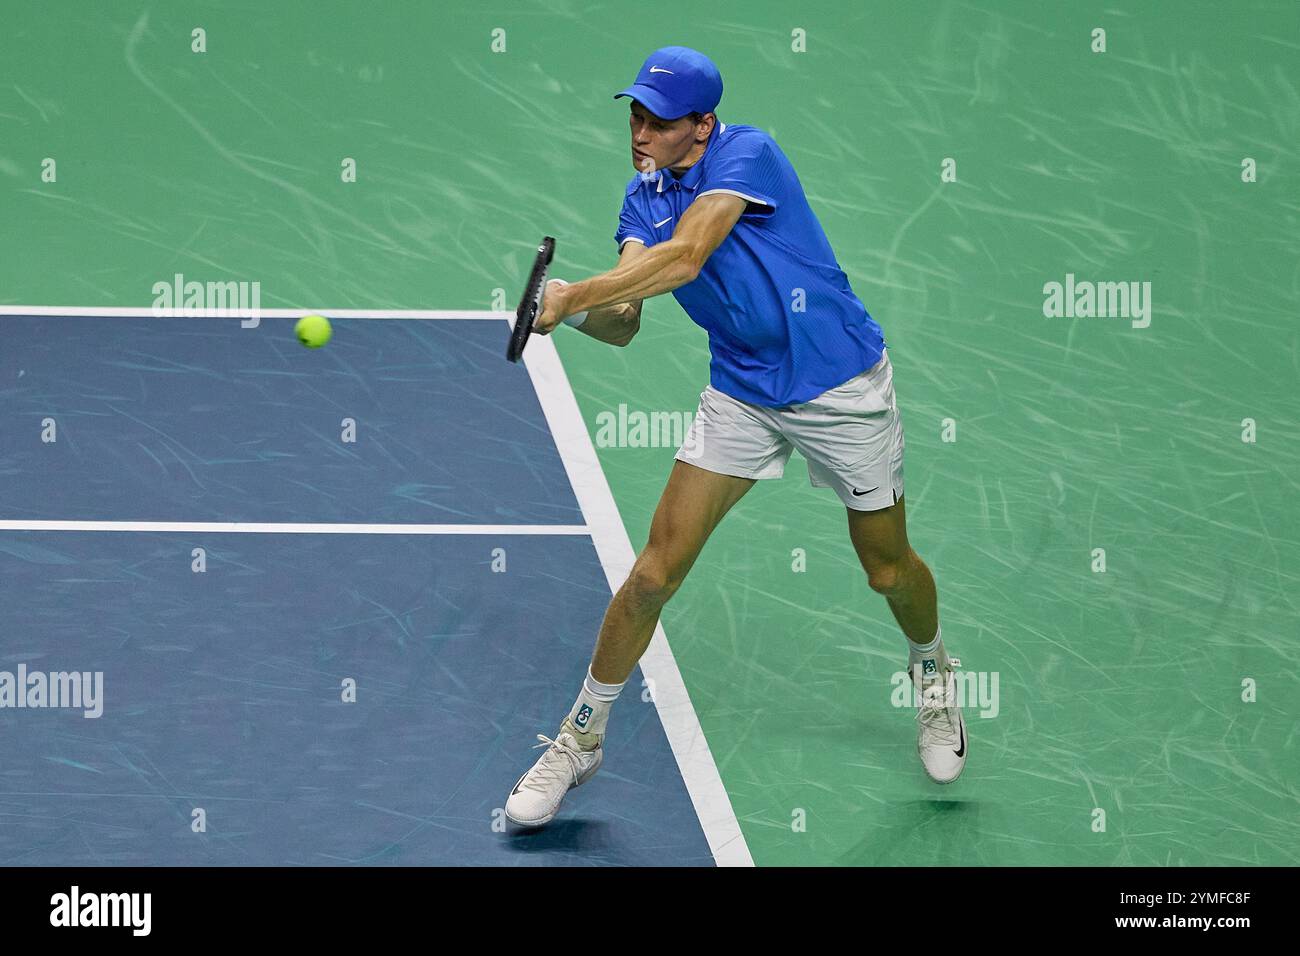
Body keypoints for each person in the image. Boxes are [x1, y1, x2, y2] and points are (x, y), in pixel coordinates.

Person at [505, 46, 966, 829]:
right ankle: (580, 741)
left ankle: (934, 673)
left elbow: (686, 259)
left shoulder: (747, 154)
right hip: (743, 394)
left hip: (840, 386)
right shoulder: (640, 199)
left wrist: (575, 289)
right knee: (653, 573)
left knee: (887, 570)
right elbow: (624, 322)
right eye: (635, 115)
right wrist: (575, 310)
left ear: (703, 125)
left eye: (660, 120)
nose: (641, 132)